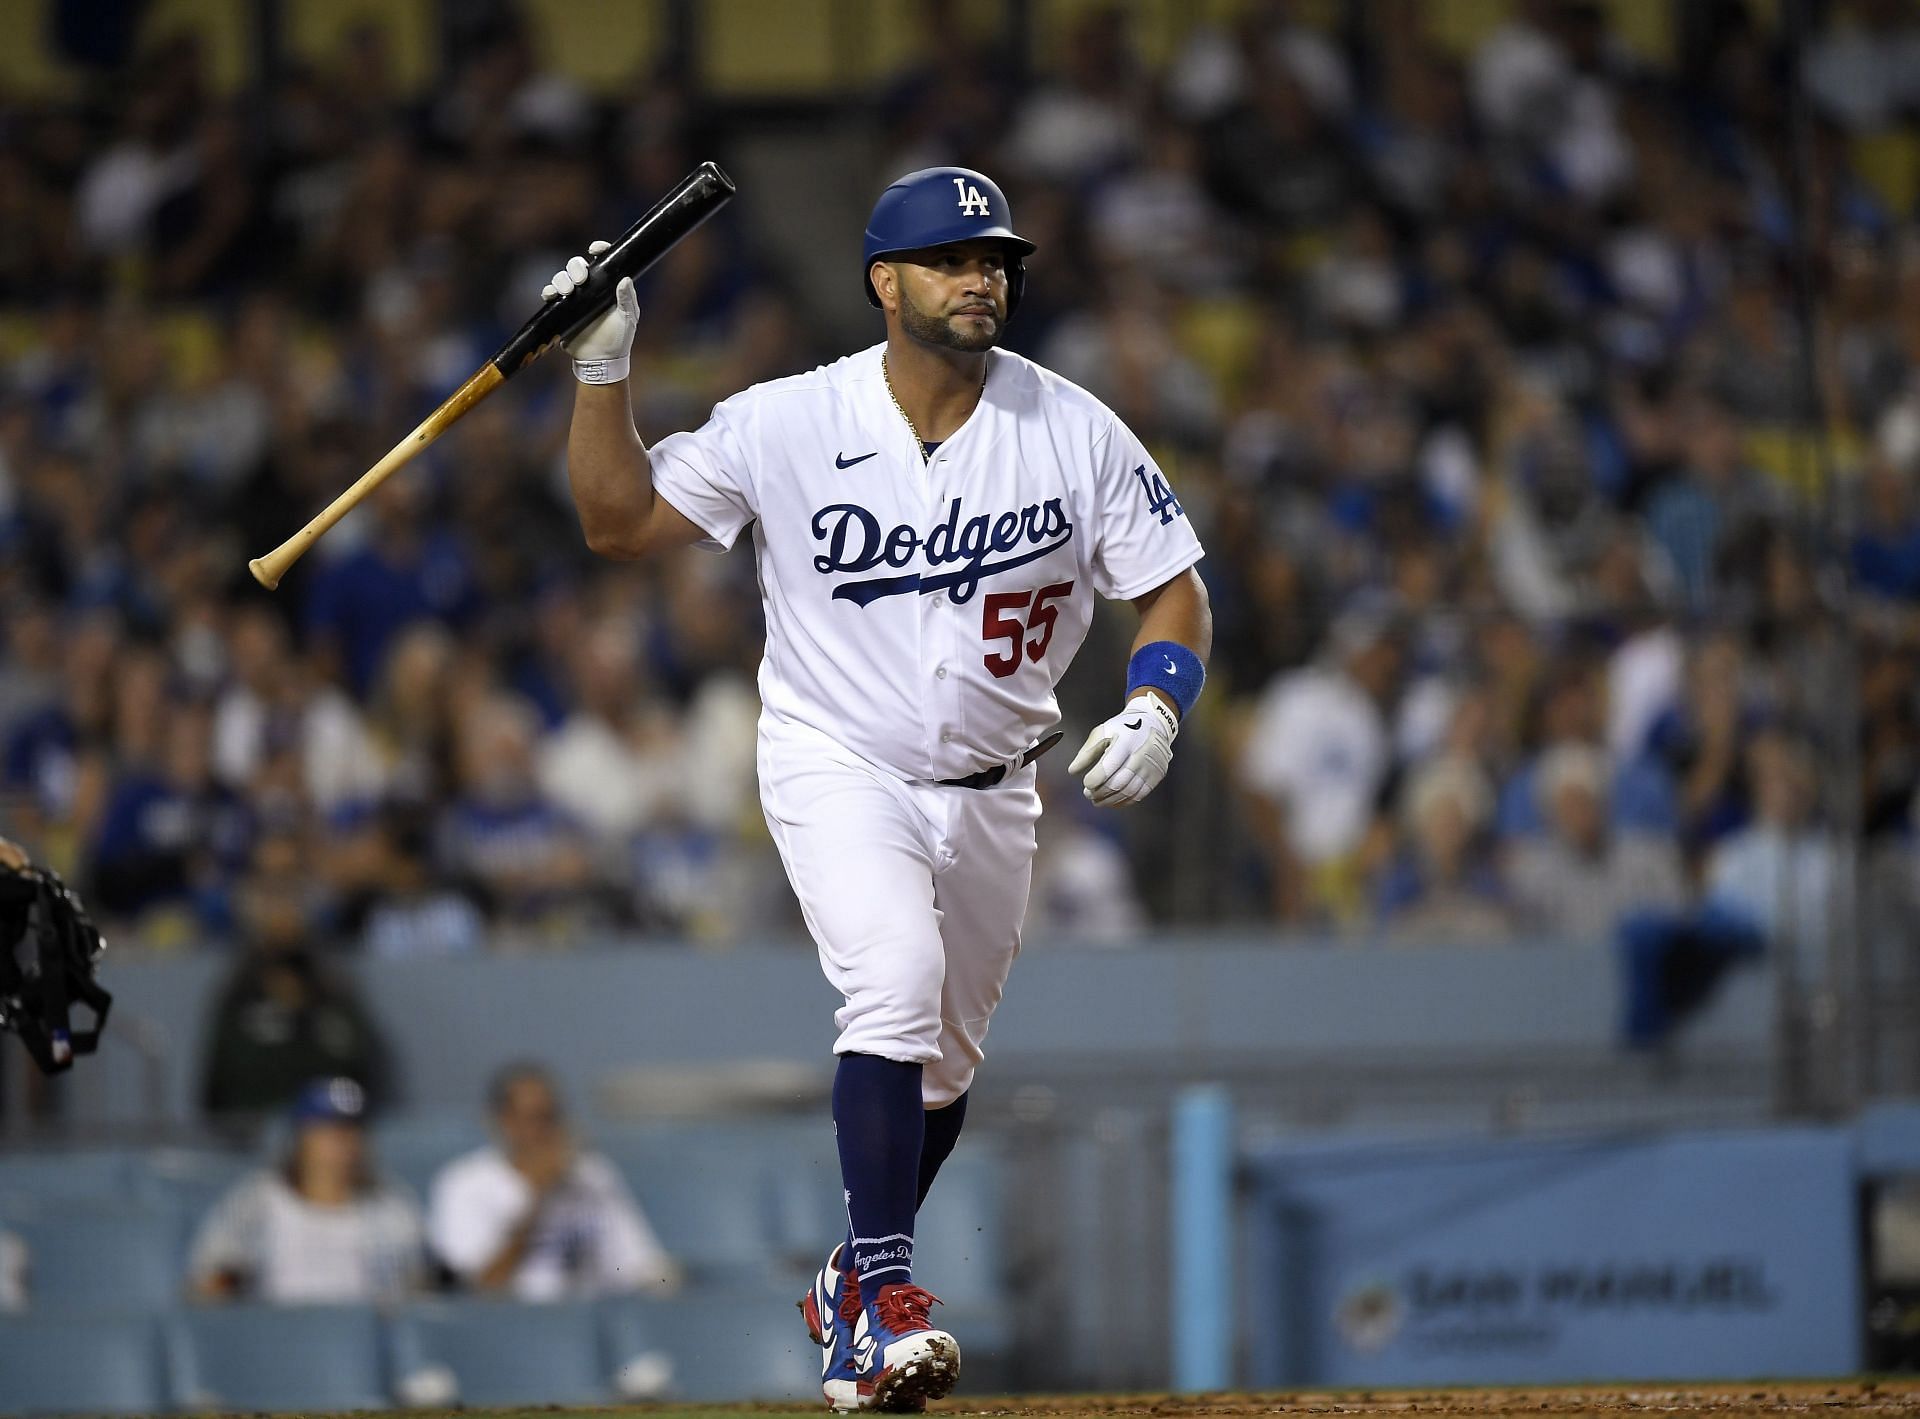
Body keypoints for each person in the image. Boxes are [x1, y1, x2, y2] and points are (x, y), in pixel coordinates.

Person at [546, 165, 1209, 1410]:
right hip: (834, 759)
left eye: (996, 261)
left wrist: (1159, 701)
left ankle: (848, 1286)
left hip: (997, 786)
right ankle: (887, 1305)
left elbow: (1172, 583)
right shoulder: (786, 420)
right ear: (882, 283)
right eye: (954, 260)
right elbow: (617, 521)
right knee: (892, 984)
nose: (981, 279)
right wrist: (599, 372)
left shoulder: (1070, 426)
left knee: (943, 1074)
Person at [426, 1062, 680, 1301]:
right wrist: (539, 1199)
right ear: (504, 1121)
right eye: (534, 1118)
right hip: (509, 1329)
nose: (545, 1130)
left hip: (587, 1322)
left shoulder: (591, 1174)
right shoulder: (464, 1183)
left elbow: (641, 1268)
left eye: (552, 1117)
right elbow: (479, 1288)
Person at [187, 1076, 425, 1303]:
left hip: (362, 1338)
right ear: (301, 1136)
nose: (341, 1141)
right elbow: (206, 1290)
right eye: (328, 1129)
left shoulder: (391, 1208)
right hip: (274, 1336)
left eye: (351, 1130)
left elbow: (416, 1297)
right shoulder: (255, 1202)